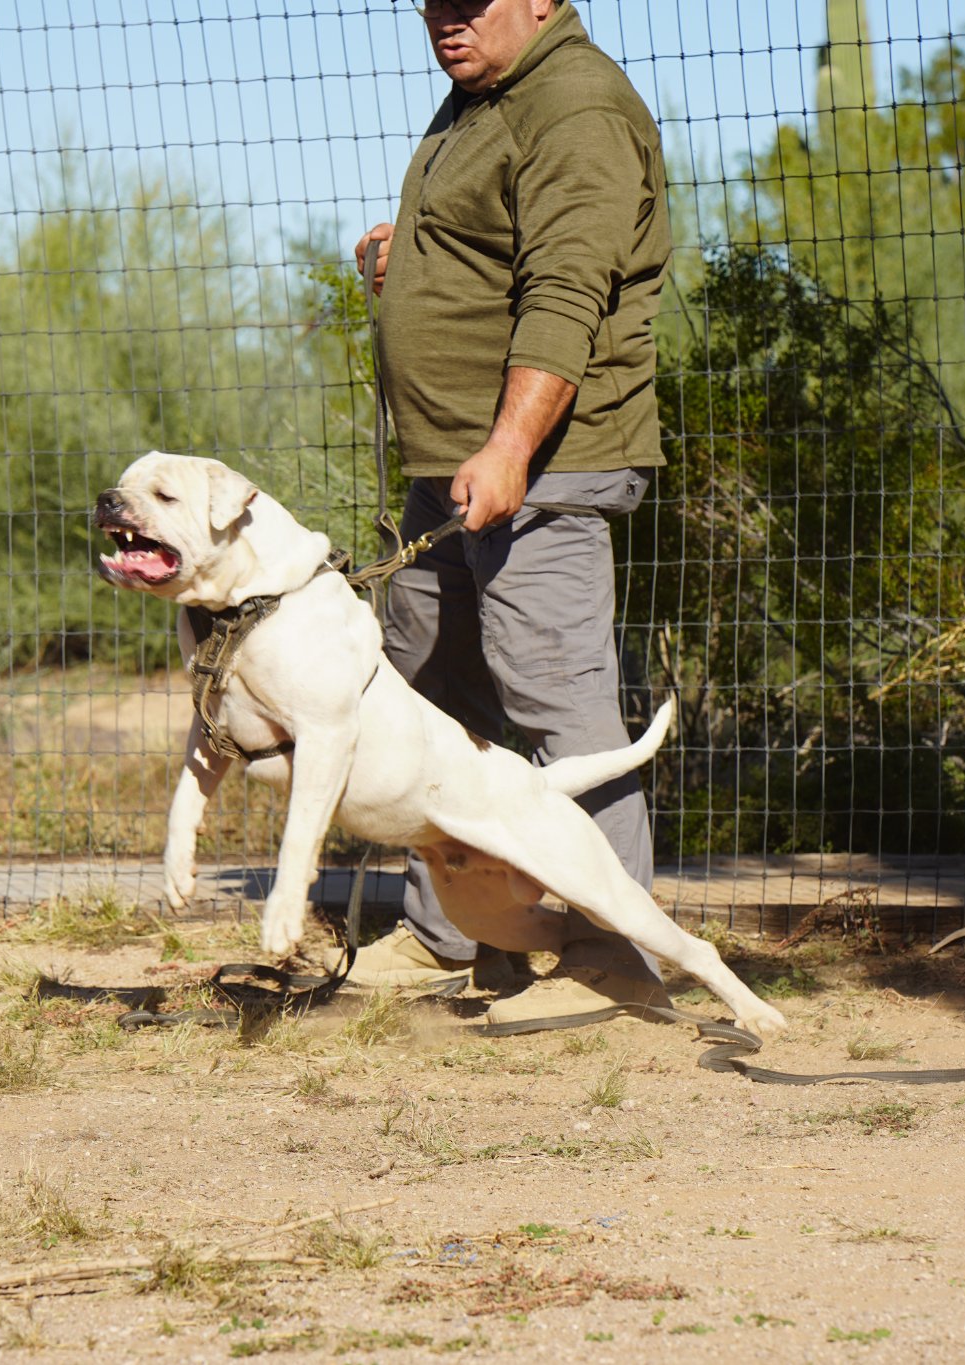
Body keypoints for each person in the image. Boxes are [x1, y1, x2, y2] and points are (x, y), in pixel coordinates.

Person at [350, 0, 673, 1029]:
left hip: (540, 469)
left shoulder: (572, 102)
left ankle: (608, 962)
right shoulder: (484, 92)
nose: (443, 17)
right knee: (434, 709)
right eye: (428, 2)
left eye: (467, 0)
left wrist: (509, 448)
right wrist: (418, 262)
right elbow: (503, 245)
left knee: (558, 713)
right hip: (455, 466)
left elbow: (568, 288)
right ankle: (461, 938)